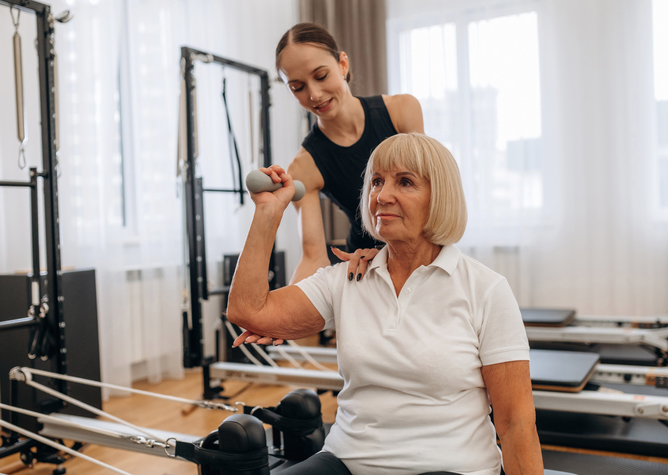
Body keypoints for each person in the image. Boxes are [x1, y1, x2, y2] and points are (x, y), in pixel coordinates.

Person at [227, 133, 543, 475]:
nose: (382, 195)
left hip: (450, 468)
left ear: (439, 198)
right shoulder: (346, 279)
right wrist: (268, 212)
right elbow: (249, 311)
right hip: (347, 462)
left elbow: (515, 424)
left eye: (404, 182)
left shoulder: (486, 289)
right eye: (376, 181)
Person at [274, 22, 424, 285]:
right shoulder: (303, 167)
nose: (314, 94)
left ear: (343, 64)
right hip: (365, 267)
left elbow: (428, 197)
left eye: (321, 76)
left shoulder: (402, 111)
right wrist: (282, 322)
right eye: (298, 87)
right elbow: (313, 257)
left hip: (419, 254)